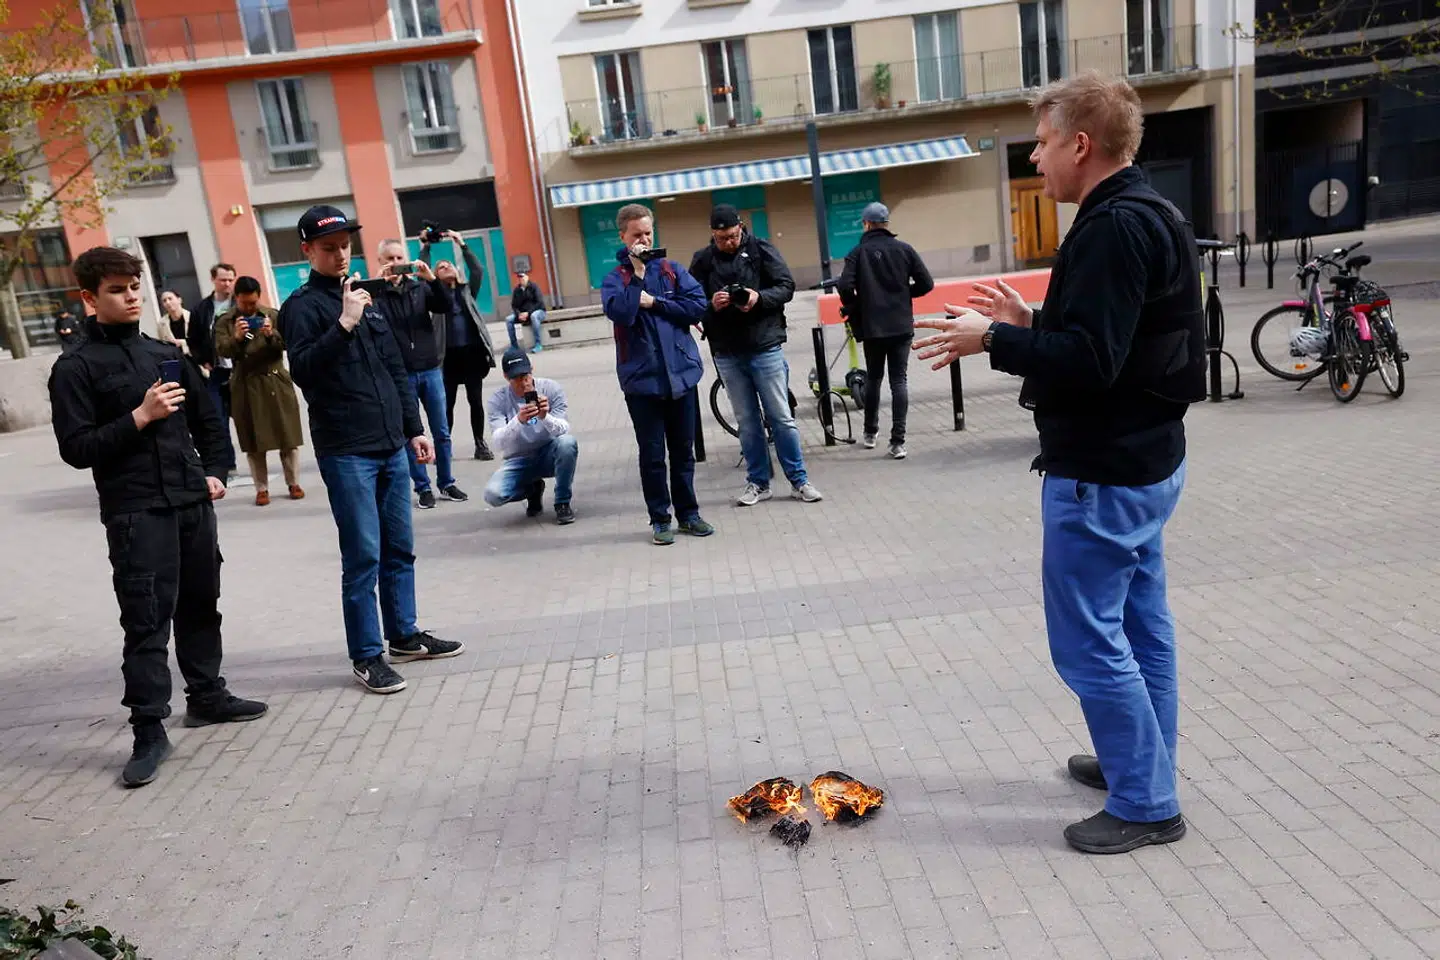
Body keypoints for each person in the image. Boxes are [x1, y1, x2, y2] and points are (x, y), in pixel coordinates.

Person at [913, 72, 1205, 855]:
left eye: (1041, 143)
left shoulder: (1112, 226)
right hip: (1144, 462)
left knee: (1090, 643)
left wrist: (994, 340)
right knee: (1142, 630)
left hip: (1104, 473)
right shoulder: (1149, 212)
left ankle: (1146, 804)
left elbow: (1094, 361)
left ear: (1081, 143)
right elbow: (1124, 337)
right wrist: (1031, 319)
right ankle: (1136, 765)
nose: (1035, 159)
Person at [48, 247, 267, 788]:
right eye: (117, 290)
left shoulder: (162, 353)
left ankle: (208, 696)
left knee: (201, 603)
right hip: (135, 510)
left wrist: (217, 469)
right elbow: (76, 447)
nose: (130, 296)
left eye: (134, 286)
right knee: (146, 622)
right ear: (89, 298)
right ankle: (149, 729)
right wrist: (139, 417)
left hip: (190, 502)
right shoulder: (74, 367)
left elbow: (209, 418)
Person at [277, 205, 462, 695]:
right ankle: (366, 655)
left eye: (344, 246)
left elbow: (394, 369)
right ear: (307, 252)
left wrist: (414, 428)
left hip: (390, 444)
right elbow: (304, 371)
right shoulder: (302, 308)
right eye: (328, 248)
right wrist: (342, 323)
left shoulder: (367, 298)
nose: (340, 255)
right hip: (346, 451)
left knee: (400, 547)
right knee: (363, 555)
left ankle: (403, 634)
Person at [688, 204, 822, 506]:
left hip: (765, 346)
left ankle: (799, 480)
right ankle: (758, 483)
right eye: (721, 239)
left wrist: (758, 298)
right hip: (726, 351)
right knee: (746, 421)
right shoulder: (703, 260)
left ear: (741, 227)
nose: (728, 243)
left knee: (781, 418)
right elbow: (690, 301)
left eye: (733, 237)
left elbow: (786, 286)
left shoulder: (762, 249)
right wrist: (712, 303)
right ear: (712, 234)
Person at [600, 203, 715, 546]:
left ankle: (689, 515)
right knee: (652, 456)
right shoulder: (614, 279)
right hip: (642, 382)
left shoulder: (672, 270)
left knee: (683, 451)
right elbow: (621, 313)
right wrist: (636, 277)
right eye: (637, 235)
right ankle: (660, 519)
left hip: (681, 376)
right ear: (623, 237)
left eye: (648, 233)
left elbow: (698, 305)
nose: (644, 239)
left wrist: (657, 303)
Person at [837, 202, 935, 460]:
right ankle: (898, 442)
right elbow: (927, 283)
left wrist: (856, 304)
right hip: (901, 325)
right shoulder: (904, 250)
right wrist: (904, 295)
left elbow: (844, 284)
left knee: (874, 379)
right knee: (899, 381)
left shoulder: (857, 253)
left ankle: (870, 433)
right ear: (887, 224)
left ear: (866, 224)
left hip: (873, 328)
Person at [372, 239, 464, 510]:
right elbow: (370, 318)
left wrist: (432, 279)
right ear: (381, 262)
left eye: (399, 257)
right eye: (389, 258)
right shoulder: (378, 294)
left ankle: (446, 482)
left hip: (430, 369)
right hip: (400, 374)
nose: (396, 263)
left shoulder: (420, 287)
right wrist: (377, 287)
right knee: (412, 434)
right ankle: (422, 487)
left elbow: (447, 306)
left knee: (442, 431)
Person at [214, 276, 305, 507]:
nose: (248, 308)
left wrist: (270, 334)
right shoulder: (226, 320)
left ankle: (293, 482)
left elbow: (287, 343)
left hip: (274, 380)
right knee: (253, 441)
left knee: (287, 435)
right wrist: (237, 337)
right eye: (244, 304)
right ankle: (261, 488)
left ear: (259, 296)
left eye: (252, 303)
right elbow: (222, 350)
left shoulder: (272, 315)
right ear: (237, 299)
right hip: (246, 383)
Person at [420, 230, 495, 462]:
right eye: (440, 267)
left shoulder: (467, 290)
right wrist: (425, 247)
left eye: (449, 265)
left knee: (475, 400)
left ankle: (480, 444)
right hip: (447, 357)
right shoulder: (432, 295)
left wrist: (461, 243)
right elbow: (421, 274)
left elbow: (478, 270)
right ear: (435, 275)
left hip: (472, 353)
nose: (446, 267)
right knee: (447, 404)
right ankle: (444, 447)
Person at [483, 347, 577, 525]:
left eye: (525, 376)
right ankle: (532, 490)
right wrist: (518, 421)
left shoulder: (551, 388)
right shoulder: (498, 400)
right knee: (493, 495)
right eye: (516, 378)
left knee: (567, 443)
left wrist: (545, 416)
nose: (523, 382)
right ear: (506, 377)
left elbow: (564, 429)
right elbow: (498, 442)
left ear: (531, 370)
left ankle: (562, 502)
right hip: (518, 459)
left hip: (549, 453)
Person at [185, 263, 239, 473]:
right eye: (223, 279)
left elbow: (254, 335)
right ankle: (228, 464)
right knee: (218, 419)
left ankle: (256, 462)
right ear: (214, 280)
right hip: (215, 372)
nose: (227, 283)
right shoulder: (202, 308)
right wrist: (203, 360)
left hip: (239, 370)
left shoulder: (240, 304)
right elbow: (193, 339)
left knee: (245, 418)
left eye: (230, 279)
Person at [505, 270, 548, 353]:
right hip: (523, 315)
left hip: (538, 311)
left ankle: (538, 344)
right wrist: (519, 314)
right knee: (508, 320)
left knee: (534, 316)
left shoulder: (534, 287)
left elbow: (539, 302)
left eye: (523, 277)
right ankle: (514, 346)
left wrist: (528, 313)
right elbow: (514, 305)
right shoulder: (517, 290)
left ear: (527, 277)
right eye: (520, 278)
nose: (521, 279)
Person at [156, 291, 193, 359]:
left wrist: (183, 343)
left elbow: (201, 341)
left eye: (170, 298)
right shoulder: (161, 324)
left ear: (179, 300)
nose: (168, 302)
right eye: (164, 301)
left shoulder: (192, 317)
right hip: (176, 360)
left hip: (195, 358)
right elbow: (163, 345)